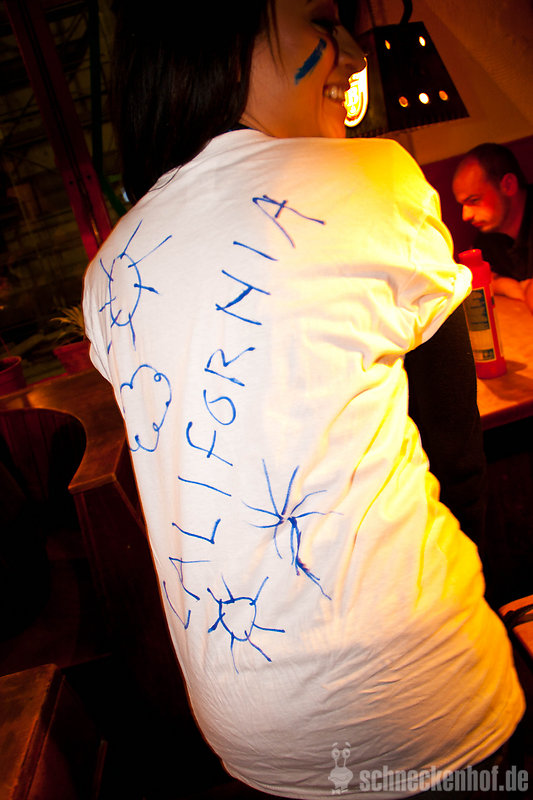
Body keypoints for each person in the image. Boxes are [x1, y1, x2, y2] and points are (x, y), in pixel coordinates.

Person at [82, 2, 524, 797]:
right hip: (417, 696)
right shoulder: (373, 175)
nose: (353, 54)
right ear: (222, 38)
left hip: (246, 740)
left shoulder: (109, 270)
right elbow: (457, 461)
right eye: (322, 20)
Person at [452, 142, 533, 311]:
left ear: (508, 185)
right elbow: (473, 280)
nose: (465, 216)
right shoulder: (489, 237)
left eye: (474, 200)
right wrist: (508, 286)